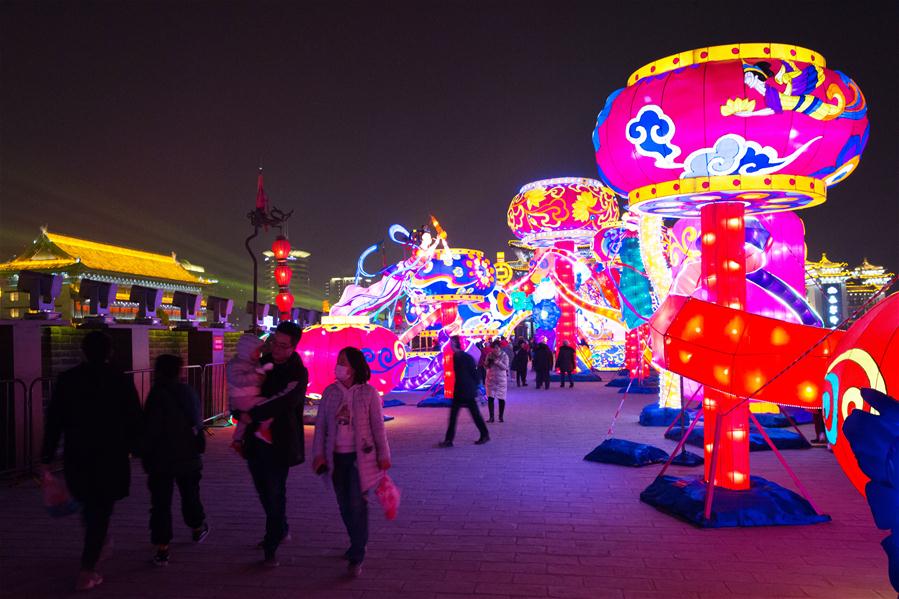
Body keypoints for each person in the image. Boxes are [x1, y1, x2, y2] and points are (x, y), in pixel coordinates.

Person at [40, 331, 142, 592]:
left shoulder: (67, 380)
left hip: (78, 455)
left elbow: (54, 421)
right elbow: (134, 418)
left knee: (89, 504)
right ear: (110, 352)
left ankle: (95, 544)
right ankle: (88, 569)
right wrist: (139, 449)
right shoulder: (119, 380)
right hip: (110, 455)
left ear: (83, 352)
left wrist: (46, 457)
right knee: (100, 509)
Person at [312, 347, 391, 578]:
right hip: (336, 458)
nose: (339, 366)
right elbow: (321, 429)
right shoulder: (329, 393)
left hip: (360, 459)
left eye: (343, 362)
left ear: (354, 367)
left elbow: (378, 428)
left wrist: (384, 456)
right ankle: (356, 540)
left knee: (357, 503)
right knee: (344, 505)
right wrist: (318, 454)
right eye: (338, 361)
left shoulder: (369, 393)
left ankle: (357, 552)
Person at [237, 321, 308, 567]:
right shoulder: (262, 362)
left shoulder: (297, 371)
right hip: (255, 440)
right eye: (274, 343)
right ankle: (280, 527)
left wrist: (252, 413)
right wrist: (239, 411)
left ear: (293, 347)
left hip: (280, 441)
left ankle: (271, 545)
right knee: (264, 490)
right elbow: (244, 388)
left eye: (283, 346)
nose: (276, 349)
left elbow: (285, 401)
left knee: (275, 490)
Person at [141, 354, 209, 566]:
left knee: (160, 503)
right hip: (187, 454)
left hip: (161, 458)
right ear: (180, 370)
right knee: (190, 493)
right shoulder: (187, 391)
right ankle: (197, 528)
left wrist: (145, 453)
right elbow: (197, 420)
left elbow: (150, 429)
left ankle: (162, 548)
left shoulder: (156, 394)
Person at [227, 333, 275, 455]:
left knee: (245, 418)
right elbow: (237, 380)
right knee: (268, 406)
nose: (259, 354)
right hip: (242, 397)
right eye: (257, 351)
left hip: (247, 396)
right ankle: (263, 429)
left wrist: (261, 376)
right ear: (247, 350)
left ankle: (237, 440)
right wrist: (256, 377)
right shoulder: (236, 364)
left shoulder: (254, 363)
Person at [439, 336, 490, 447]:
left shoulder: (461, 357)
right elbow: (473, 374)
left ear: (456, 344)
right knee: (459, 415)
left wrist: (474, 387)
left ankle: (484, 434)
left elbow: (469, 374)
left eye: (451, 343)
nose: (450, 346)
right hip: (464, 390)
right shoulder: (461, 356)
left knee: (471, 415)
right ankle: (449, 440)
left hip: (465, 391)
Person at [484, 339, 509, 423]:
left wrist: (497, 362)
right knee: (490, 398)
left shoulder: (504, 355)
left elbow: (505, 367)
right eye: (494, 348)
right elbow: (486, 366)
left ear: (500, 348)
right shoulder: (489, 355)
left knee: (501, 398)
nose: (495, 349)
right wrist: (487, 363)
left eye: (497, 348)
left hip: (501, 380)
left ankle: (501, 416)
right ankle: (491, 417)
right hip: (490, 379)